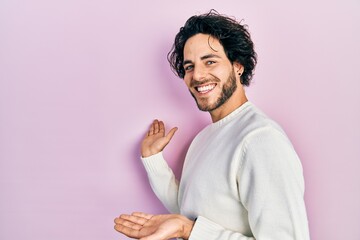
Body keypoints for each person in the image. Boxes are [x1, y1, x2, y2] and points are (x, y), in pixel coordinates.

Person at [114, 10, 310, 240]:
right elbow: (189, 212)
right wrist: (153, 160)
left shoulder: (261, 140)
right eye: (189, 66)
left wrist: (187, 230)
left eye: (210, 61)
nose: (197, 75)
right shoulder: (203, 138)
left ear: (238, 65)